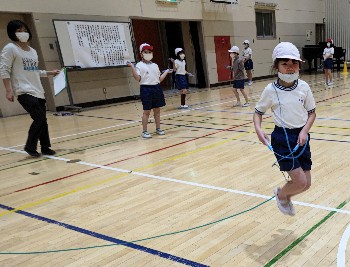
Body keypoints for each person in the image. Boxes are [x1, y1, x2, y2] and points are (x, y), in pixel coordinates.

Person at [253, 42, 316, 216]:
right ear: (276, 66)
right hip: (282, 138)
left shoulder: (304, 87)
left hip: (302, 136)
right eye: (285, 64)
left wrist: (304, 131)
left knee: (306, 184)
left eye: (294, 63)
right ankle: (281, 195)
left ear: (299, 65)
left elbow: (312, 113)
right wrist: (259, 130)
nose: (290, 68)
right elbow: (258, 113)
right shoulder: (270, 90)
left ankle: (283, 195)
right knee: (300, 181)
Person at [0, 20, 60, 158]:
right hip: (23, 91)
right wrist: (8, 90)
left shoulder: (32, 51)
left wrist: (50, 73)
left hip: (38, 90)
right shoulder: (10, 48)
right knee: (39, 118)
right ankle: (30, 146)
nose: (23, 33)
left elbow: (34, 71)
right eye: (18, 31)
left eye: (24, 30)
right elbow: (4, 70)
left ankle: (45, 147)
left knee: (43, 119)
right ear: (12, 33)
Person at [127, 43, 172, 138]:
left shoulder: (155, 65)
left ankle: (158, 128)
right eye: (145, 52)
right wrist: (132, 67)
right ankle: (144, 131)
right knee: (146, 111)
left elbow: (159, 79)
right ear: (141, 54)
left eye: (149, 52)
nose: (148, 53)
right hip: (146, 89)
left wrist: (167, 72)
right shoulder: (139, 65)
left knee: (157, 110)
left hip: (157, 88)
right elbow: (137, 78)